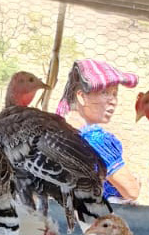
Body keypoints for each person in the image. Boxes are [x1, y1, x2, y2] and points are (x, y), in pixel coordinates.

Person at [58, 59, 141, 202]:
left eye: (114, 94)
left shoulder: (59, 129)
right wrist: (135, 184)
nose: (113, 101)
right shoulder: (95, 140)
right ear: (81, 96)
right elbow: (131, 192)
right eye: (104, 92)